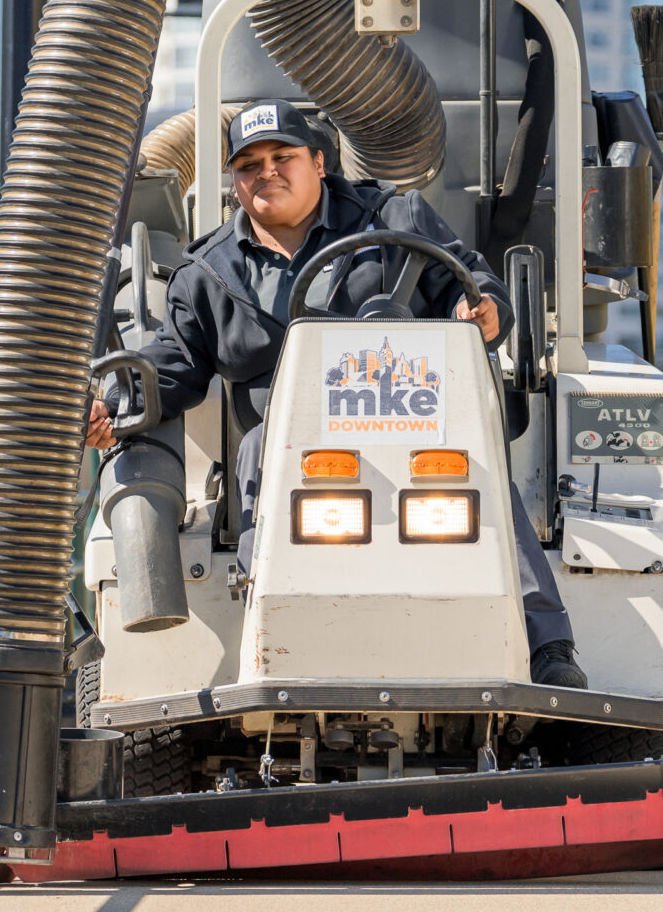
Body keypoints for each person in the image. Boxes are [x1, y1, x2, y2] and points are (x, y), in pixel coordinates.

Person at [86, 102, 588, 690]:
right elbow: (173, 364)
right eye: (248, 164)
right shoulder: (207, 271)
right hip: (284, 441)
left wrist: (482, 310)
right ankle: (269, 634)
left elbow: (472, 282)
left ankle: (546, 643)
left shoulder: (395, 220)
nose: (265, 172)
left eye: (282, 157)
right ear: (233, 180)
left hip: (411, 420)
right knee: (254, 456)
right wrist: (115, 409)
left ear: (319, 163)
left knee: (476, 473)